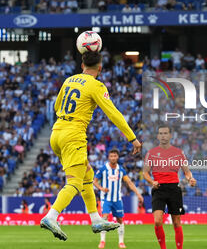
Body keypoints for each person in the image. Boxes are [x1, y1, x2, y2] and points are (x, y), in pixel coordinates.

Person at [40, 51, 142, 241]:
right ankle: (51, 216)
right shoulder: (96, 85)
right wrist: (132, 138)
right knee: (74, 183)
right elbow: (113, 113)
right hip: (73, 136)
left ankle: (95, 219)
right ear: (100, 68)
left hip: (57, 133)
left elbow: (56, 106)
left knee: (87, 174)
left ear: (82, 66)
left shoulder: (69, 80)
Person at [143, 124, 196, 249]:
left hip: (174, 189)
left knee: (176, 222)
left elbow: (186, 171)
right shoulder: (151, 153)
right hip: (158, 189)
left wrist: (190, 179)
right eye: (160, 133)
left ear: (170, 135)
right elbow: (145, 173)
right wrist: (152, 182)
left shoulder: (178, 153)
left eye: (165, 133)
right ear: (157, 136)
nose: (163, 136)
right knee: (157, 221)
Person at [93, 149, 144, 248]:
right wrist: (101, 188)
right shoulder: (103, 169)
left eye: (115, 156)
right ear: (108, 157)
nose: (113, 158)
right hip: (106, 199)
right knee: (104, 218)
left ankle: (121, 242)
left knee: (120, 219)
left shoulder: (121, 170)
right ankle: (102, 241)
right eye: (111, 156)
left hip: (117, 199)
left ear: (117, 157)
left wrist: (138, 194)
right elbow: (94, 181)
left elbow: (129, 182)